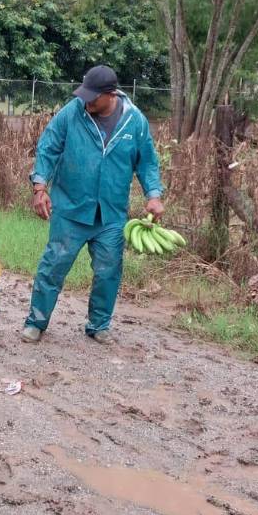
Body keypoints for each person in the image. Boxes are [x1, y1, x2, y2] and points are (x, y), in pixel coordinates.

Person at [22, 65, 164, 345]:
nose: (86, 101)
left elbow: (147, 161)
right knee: (53, 265)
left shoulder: (134, 122)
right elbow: (48, 146)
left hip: (111, 214)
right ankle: (36, 322)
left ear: (110, 95)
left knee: (108, 270)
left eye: (92, 97)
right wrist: (40, 186)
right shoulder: (73, 112)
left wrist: (154, 195)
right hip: (71, 208)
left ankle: (99, 325)